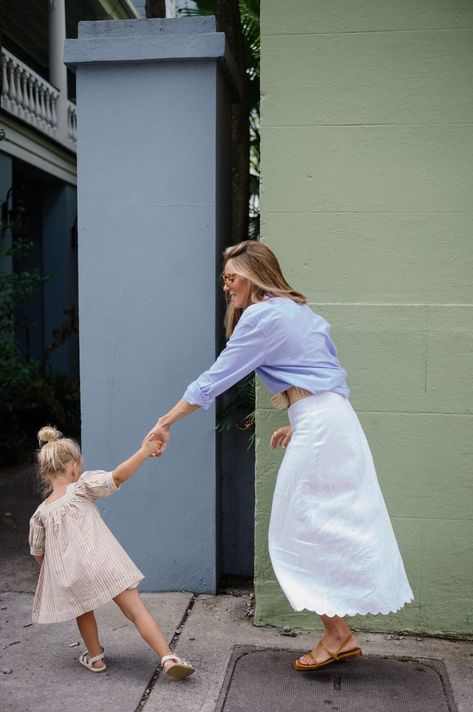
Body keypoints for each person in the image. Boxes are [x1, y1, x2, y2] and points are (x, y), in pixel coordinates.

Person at [148, 240, 413, 672]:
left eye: (231, 277)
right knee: (320, 522)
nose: (226, 286)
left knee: (302, 525)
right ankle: (339, 633)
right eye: (223, 279)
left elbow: (215, 379)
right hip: (332, 419)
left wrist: (165, 420)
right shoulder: (297, 312)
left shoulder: (262, 315)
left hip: (322, 423)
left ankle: (337, 634)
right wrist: (299, 417)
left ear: (253, 276)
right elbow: (325, 375)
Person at [29, 426, 195, 679]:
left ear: (44, 473)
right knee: (135, 610)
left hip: (72, 574)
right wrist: (143, 451)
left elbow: (38, 551)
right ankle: (168, 658)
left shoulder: (40, 513)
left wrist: (56, 575)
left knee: (83, 611)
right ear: (74, 466)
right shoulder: (81, 488)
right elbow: (117, 477)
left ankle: (95, 659)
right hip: (105, 562)